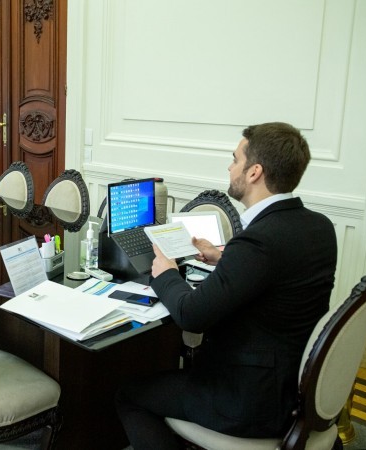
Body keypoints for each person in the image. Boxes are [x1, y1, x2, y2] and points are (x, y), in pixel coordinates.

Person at [115, 122, 338, 449]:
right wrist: (224, 258)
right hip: (296, 386)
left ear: (254, 172)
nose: (230, 166)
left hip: (248, 400)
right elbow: (280, 276)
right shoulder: (319, 227)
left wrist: (165, 272)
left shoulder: (259, 242)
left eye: (235, 159)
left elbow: (190, 314)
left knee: (128, 394)